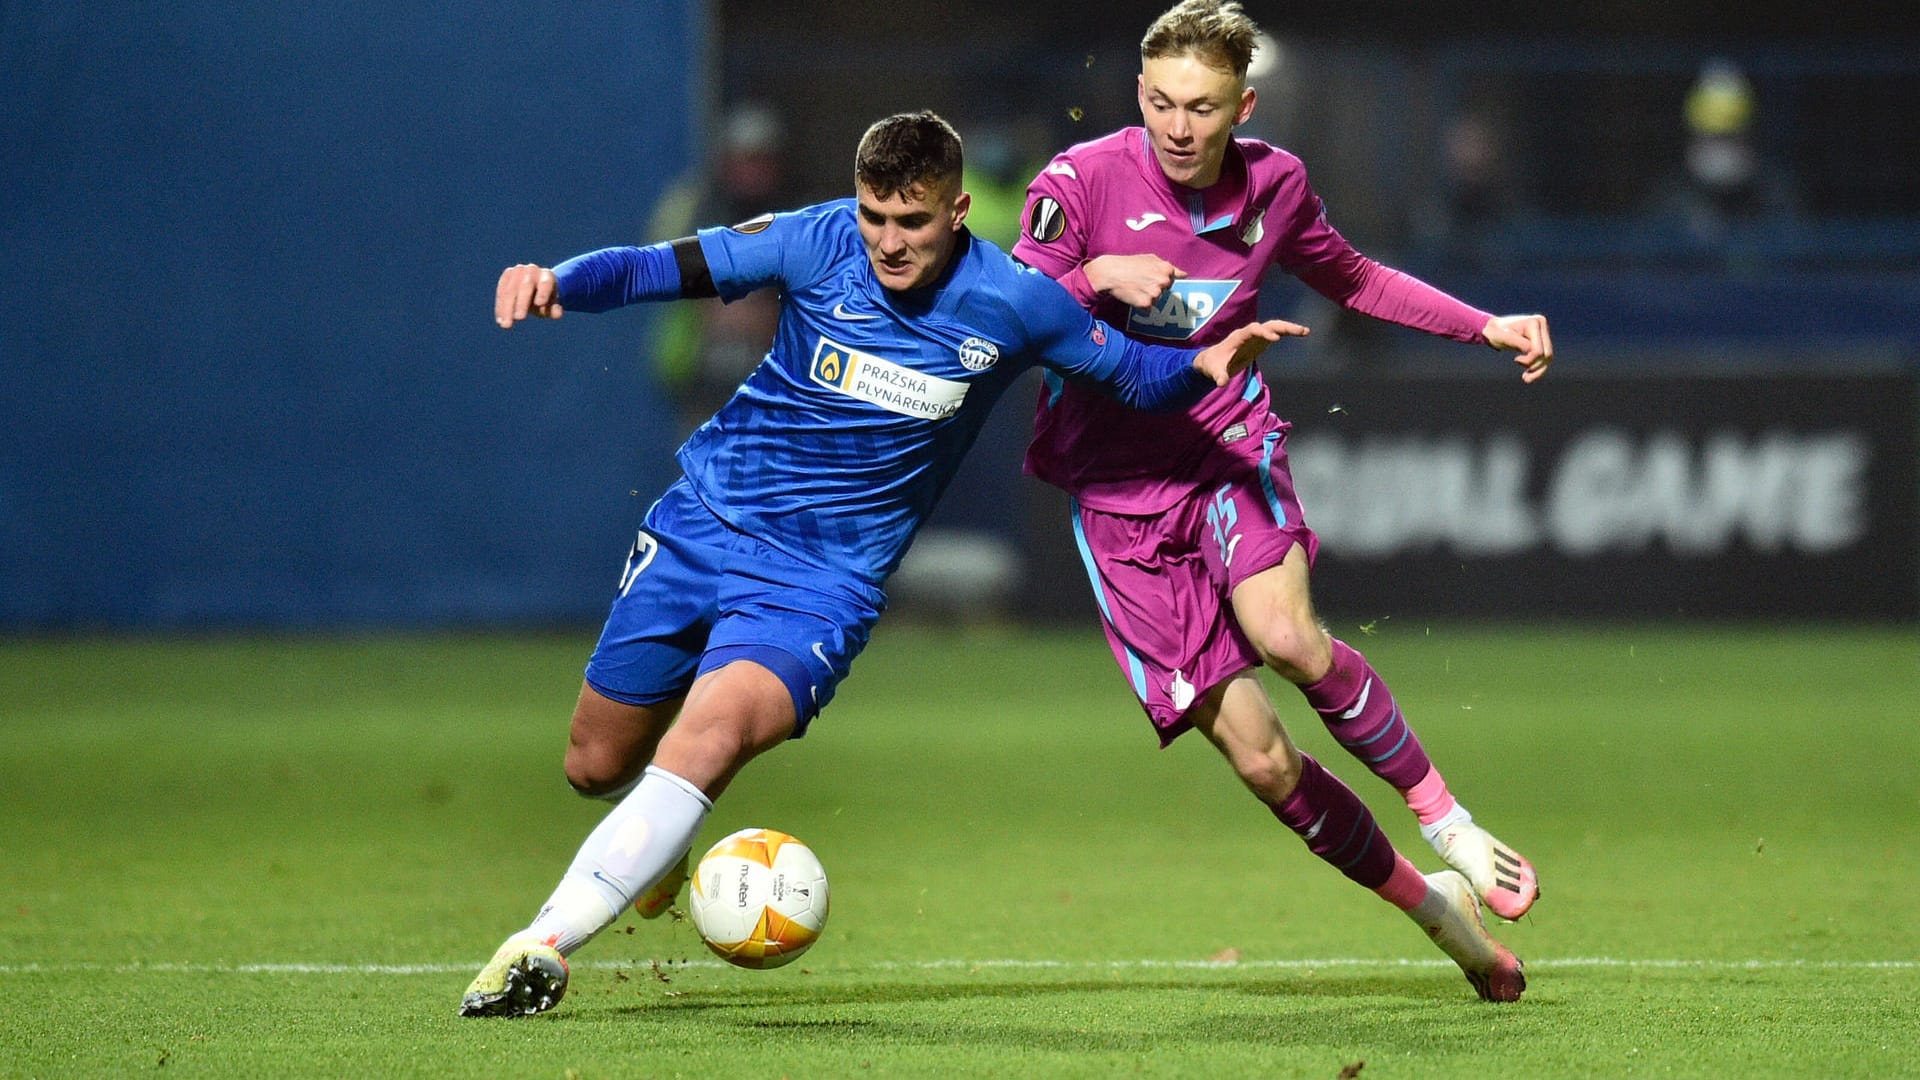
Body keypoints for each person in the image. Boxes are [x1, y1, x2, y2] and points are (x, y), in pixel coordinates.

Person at [461, 110, 1309, 1017]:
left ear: (955, 213)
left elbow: (1135, 377)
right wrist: (557, 281)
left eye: (912, 222)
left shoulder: (1014, 300)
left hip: (819, 587)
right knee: (594, 766)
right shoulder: (813, 240)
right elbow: (660, 269)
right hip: (702, 525)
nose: (888, 242)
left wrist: (1208, 363)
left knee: (706, 739)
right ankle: (652, 856)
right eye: (874, 217)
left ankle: (538, 948)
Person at [1011, 0, 1552, 1001]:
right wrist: (1096, 275)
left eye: (1203, 108)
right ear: (1139, 94)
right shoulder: (1076, 184)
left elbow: (1352, 278)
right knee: (1264, 765)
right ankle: (1437, 910)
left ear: (1242, 105)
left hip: (1223, 450)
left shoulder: (1275, 185)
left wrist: (1486, 326)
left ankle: (1449, 822)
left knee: (1293, 637)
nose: (1180, 127)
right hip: (1121, 497)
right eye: (1164, 103)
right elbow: (1011, 312)